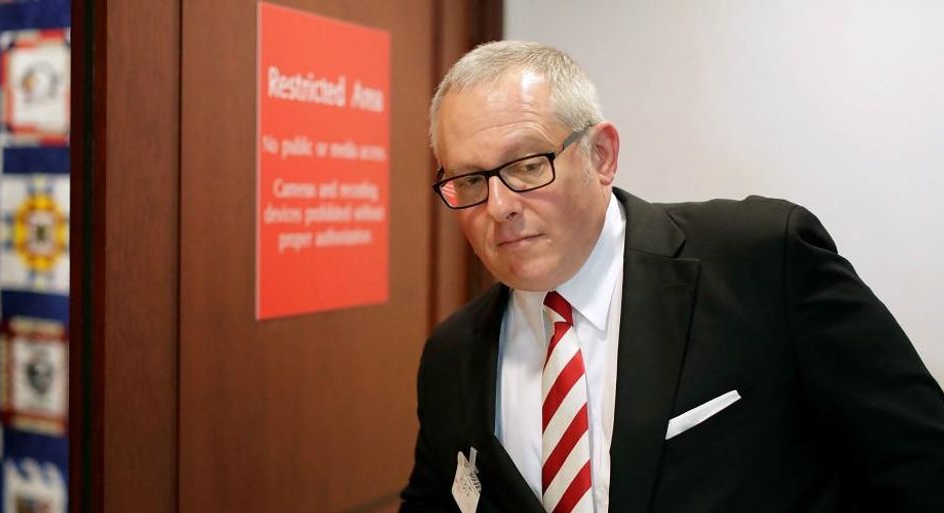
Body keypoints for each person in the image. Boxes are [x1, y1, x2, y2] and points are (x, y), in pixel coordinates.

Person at [399, 40, 944, 513]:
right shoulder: (453, 355)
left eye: (526, 165)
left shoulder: (759, 262)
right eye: (469, 180)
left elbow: (919, 462)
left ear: (602, 155)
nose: (498, 206)